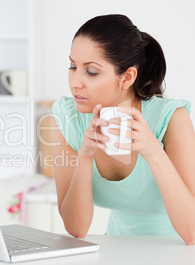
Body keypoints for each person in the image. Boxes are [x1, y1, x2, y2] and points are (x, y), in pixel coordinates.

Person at [50, 14, 195, 245]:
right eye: (73, 66)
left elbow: (192, 232)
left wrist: (153, 150)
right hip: (115, 249)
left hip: (177, 250)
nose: (75, 82)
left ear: (127, 77)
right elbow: (76, 228)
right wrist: (85, 156)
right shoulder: (68, 118)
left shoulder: (171, 118)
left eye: (92, 72)